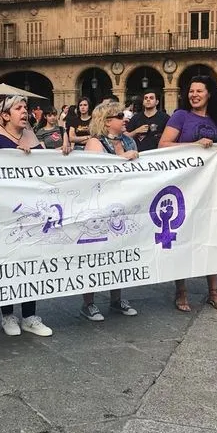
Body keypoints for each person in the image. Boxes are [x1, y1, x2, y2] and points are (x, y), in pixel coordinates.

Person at [158, 75, 217, 312]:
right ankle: (181, 291)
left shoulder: (216, 119)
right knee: (184, 234)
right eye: (191, 91)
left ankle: (213, 291)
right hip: (185, 186)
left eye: (199, 91)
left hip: (211, 186)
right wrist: (195, 145)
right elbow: (164, 145)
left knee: (213, 234)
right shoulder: (180, 115)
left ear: (210, 94)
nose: (194, 95)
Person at [0, 95, 53, 337]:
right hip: (7, 213)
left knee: (32, 261)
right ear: (5, 115)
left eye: (26, 108)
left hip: (33, 211)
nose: (25, 111)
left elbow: (49, 166)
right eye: (19, 108)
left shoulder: (32, 137)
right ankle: (7, 314)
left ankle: (30, 315)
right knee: (9, 262)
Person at [78, 101, 140, 321]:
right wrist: (123, 158)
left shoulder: (128, 140)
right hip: (99, 206)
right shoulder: (95, 142)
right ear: (106, 121)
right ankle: (89, 302)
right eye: (119, 115)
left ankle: (116, 299)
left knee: (119, 253)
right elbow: (98, 170)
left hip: (123, 204)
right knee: (95, 254)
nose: (125, 118)